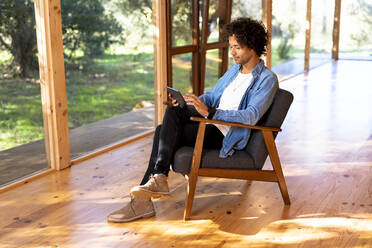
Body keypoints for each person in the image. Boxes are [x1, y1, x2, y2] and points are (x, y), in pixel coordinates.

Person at [107, 17, 279, 223]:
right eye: (231, 46)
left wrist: (211, 113)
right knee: (174, 112)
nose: (232, 52)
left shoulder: (267, 79)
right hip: (211, 120)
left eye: (237, 48)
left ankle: (145, 198)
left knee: (163, 131)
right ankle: (158, 179)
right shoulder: (234, 70)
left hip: (226, 133)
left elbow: (250, 116)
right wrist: (193, 102)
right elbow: (214, 95)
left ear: (252, 47)